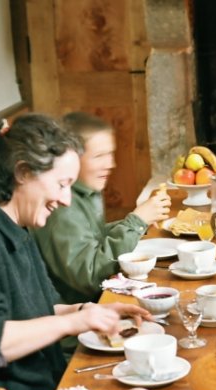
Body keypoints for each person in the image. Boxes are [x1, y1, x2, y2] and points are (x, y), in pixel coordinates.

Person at [0, 114, 151, 390]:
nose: (67, 199)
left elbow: (28, 312)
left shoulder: (15, 229)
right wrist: (71, 324)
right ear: (23, 173)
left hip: (52, 384)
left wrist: (85, 312)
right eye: (61, 184)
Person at [31, 112, 171, 305]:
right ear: (71, 158)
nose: (111, 164)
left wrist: (138, 222)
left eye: (110, 154)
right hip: (81, 313)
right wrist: (135, 222)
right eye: (99, 156)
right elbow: (91, 276)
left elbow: (93, 237)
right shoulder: (62, 207)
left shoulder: (86, 191)